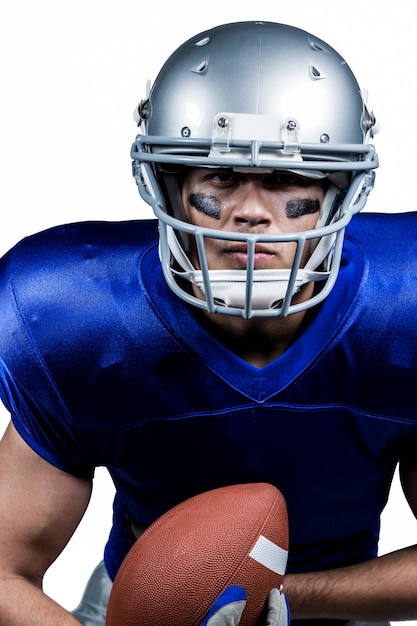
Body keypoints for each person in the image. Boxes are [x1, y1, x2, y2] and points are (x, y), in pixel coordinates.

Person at [0, 18, 416, 626]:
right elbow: (5, 568)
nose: (250, 211)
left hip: (338, 606)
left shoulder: (399, 312)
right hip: (138, 607)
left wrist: (273, 599)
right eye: (221, 177)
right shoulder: (78, 317)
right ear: (169, 186)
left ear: (343, 189)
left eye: (286, 178)